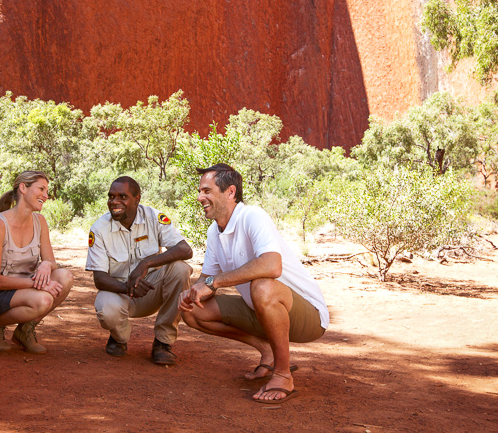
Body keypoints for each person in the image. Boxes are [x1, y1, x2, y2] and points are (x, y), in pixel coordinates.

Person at [179, 163, 329, 403]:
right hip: (258, 311)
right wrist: (192, 293)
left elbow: (272, 265)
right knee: (193, 312)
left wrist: (214, 282)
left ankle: (283, 374)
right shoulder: (214, 232)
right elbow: (206, 280)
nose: (200, 197)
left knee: (263, 285)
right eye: (200, 191)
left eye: (207, 191)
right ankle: (267, 350)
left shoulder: (252, 216)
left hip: (307, 316)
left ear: (230, 192)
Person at [86, 176, 193, 365]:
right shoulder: (100, 229)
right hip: (121, 292)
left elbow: (185, 250)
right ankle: (119, 338)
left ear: (137, 199)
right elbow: (99, 279)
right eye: (111, 197)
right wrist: (128, 287)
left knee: (181, 269)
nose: (114, 202)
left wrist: (145, 264)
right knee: (105, 307)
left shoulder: (154, 218)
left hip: (151, 289)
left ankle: (163, 343)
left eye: (122, 196)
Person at [0, 170, 73, 353]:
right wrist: (38, 285)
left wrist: (45, 264)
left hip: (25, 288)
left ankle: (25, 330)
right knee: (43, 300)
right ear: (23, 188)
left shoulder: (40, 221)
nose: (45, 195)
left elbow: (52, 262)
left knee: (65, 276)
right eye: (41, 189)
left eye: (47, 191)